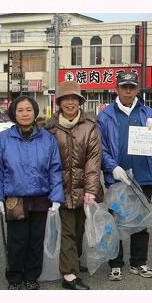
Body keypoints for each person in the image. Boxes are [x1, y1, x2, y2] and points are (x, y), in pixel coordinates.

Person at [0, 96, 64, 290]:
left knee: (35, 241)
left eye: (28, 109)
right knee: (17, 241)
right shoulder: (3, 139)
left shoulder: (47, 138)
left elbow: (55, 169)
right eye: (20, 110)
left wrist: (56, 198)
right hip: (15, 198)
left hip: (40, 198)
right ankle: (14, 277)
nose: (24, 113)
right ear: (14, 113)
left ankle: (31, 276)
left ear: (35, 112)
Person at [98, 71, 152, 281]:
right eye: (124, 87)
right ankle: (116, 264)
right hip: (118, 177)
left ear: (137, 90)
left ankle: (139, 262)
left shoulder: (148, 112)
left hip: (142, 176)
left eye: (132, 87)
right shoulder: (106, 115)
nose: (128, 91)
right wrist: (112, 167)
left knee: (141, 222)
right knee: (117, 222)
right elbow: (100, 147)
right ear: (117, 89)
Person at [47, 81, 103, 290]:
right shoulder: (50, 128)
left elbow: (94, 160)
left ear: (79, 102)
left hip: (84, 189)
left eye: (74, 99)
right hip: (60, 189)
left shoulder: (90, 126)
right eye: (65, 99)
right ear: (59, 103)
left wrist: (90, 189)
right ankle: (69, 276)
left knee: (79, 230)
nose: (70, 103)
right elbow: (48, 161)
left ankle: (74, 262)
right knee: (68, 231)